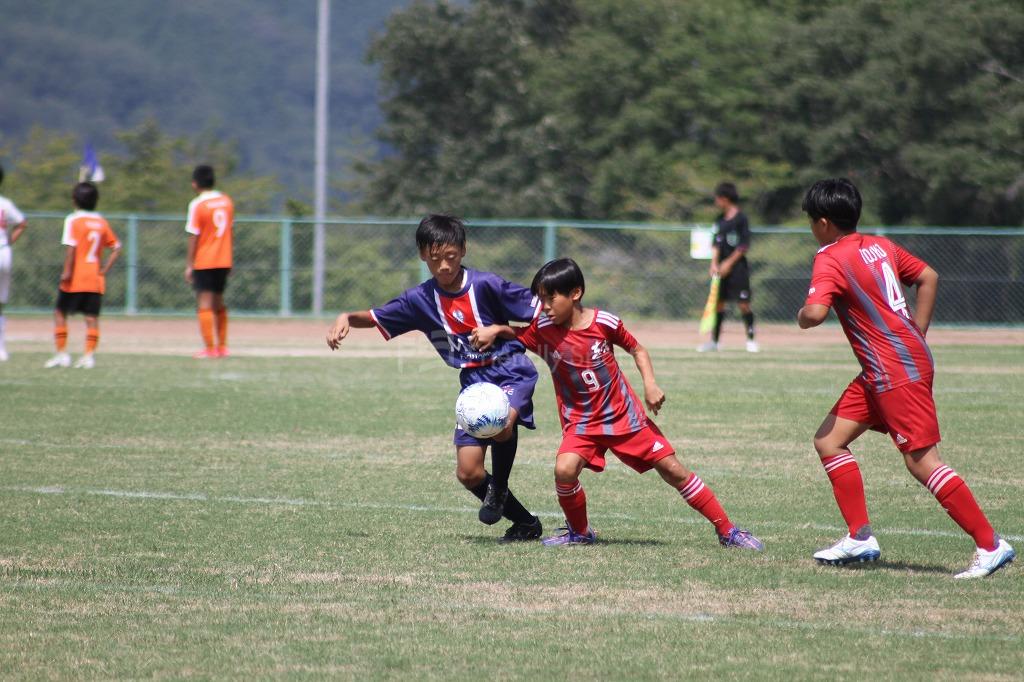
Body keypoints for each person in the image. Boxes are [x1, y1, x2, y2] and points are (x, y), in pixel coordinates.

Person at [797, 178, 1014, 579]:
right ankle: (859, 537)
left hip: (893, 370)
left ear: (823, 222)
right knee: (829, 440)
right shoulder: (879, 245)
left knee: (921, 462)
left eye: (811, 220)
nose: (811, 227)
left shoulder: (829, 256)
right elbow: (928, 276)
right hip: (891, 365)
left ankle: (990, 544)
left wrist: (803, 315)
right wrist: (918, 331)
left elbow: (813, 313)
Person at [472, 258, 763, 549]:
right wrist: (496, 330)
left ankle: (728, 531)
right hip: (581, 423)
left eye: (551, 299)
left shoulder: (604, 322)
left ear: (575, 293)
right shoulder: (544, 328)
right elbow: (519, 334)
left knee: (674, 471)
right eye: (541, 300)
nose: (545, 306)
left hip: (625, 418)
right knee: (564, 470)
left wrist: (650, 384)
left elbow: (637, 349)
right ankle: (580, 532)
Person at [325, 214, 544, 542]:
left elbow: (542, 317)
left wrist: (498, 329)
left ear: (464, 250)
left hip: (511, 368)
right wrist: (345, 317)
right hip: (473, 380)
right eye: (435, 258)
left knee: (501, 423)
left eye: (451, 257)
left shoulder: (487, 285)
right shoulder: (420, 299)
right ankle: (526, 523)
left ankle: (498, 488)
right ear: (422, 255)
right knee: (468, 473)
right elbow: (375, 316)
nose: (443, 266)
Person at [44, 182, 121, 369]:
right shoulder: (101, 222)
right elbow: (116, 247)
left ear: (74, 200)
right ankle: (88, 356)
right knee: (91, 317)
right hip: (94, 277)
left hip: (76, 277)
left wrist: (66, 272)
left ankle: (62, 354)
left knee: (60, 313)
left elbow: (71, 249)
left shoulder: (73, 220)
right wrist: (104, 269)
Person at [697, 182, 759, 353]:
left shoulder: (741, 219)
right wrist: (714, 264)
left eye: (717, 199)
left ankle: (751, 340)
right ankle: (715, 342)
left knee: (744, 304)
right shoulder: (719, 220)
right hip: (721, 271)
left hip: (738, 269)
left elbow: (743, 246)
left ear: (725, 199)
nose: (716, 202)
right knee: (719, 304)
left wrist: (728, 264)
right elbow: (716, 244)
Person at [185, 165, 234, 358]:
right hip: (224, 258)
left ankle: (210, 348)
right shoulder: (226, 201)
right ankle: (222, 347)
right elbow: (231, 230)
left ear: (195, 184)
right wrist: (231, 258)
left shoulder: (197, 204)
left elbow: (193, 235)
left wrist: (189, 264)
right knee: (219, 302)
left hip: (205, 259)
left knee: (204, 304)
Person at [0, 164, 28, 362]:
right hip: (3, 252)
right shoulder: (5, 203)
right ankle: (1, 349)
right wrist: (8, 242)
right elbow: (22, 223)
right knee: (0, 304)